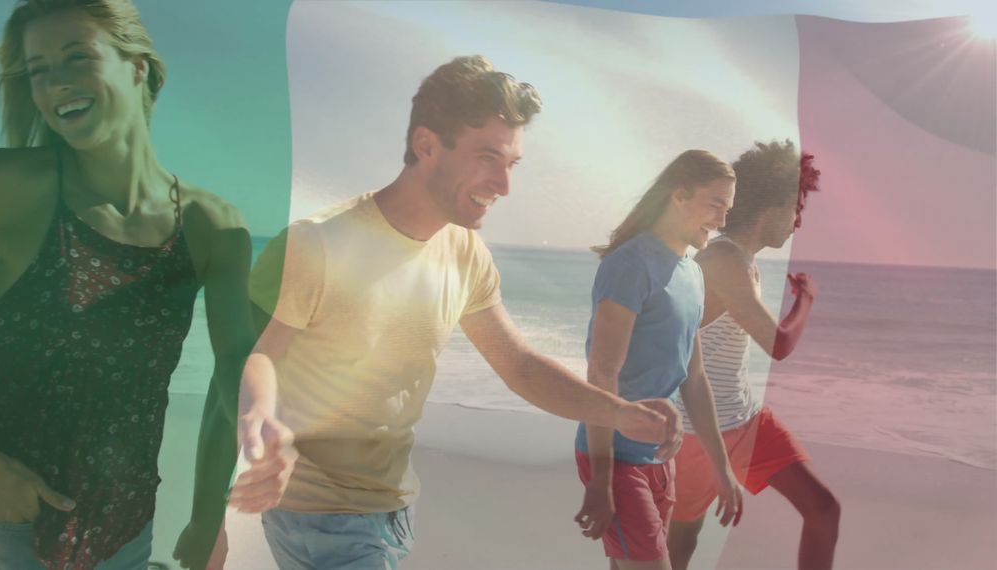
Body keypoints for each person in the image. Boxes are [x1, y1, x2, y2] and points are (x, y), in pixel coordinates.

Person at [229, 55, 684, 569]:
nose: (504, 185)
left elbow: (520, 366)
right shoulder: (320, 243)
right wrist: (259, 416)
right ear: (426, 145)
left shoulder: (464, 251)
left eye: (511, 164)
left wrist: (619, 412)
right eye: (487, 157)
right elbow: (262, 354)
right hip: (320, 513)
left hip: (394, 508)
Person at [0, 1, 252, 568]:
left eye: (78, 58)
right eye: (40, 69)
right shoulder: (6, 187)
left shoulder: (212, 227)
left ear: (138, 66)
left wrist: (207, 516)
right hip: (1, 517)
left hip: (126, 525)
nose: (57, 84)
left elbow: (232, 380)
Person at [666, 141, 839, 570]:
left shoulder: (742, 261)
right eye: (795, 207)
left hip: (745, 418)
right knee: (681, 540)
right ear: (772, 206)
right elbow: (778, 344)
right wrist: (807, 299)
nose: (798, 220)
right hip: (696, 431)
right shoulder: (722, 260)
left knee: (823, 510)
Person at [573, 150, 745, 570]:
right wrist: (600, 477)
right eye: (716, 204)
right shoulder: (629, 265)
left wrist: (721, 467)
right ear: (679, 195)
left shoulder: (692, 272)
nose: (723, 221)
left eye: (728, 208)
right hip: (615, 454)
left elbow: (695, 377)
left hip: (660, 457)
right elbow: (602, 374)